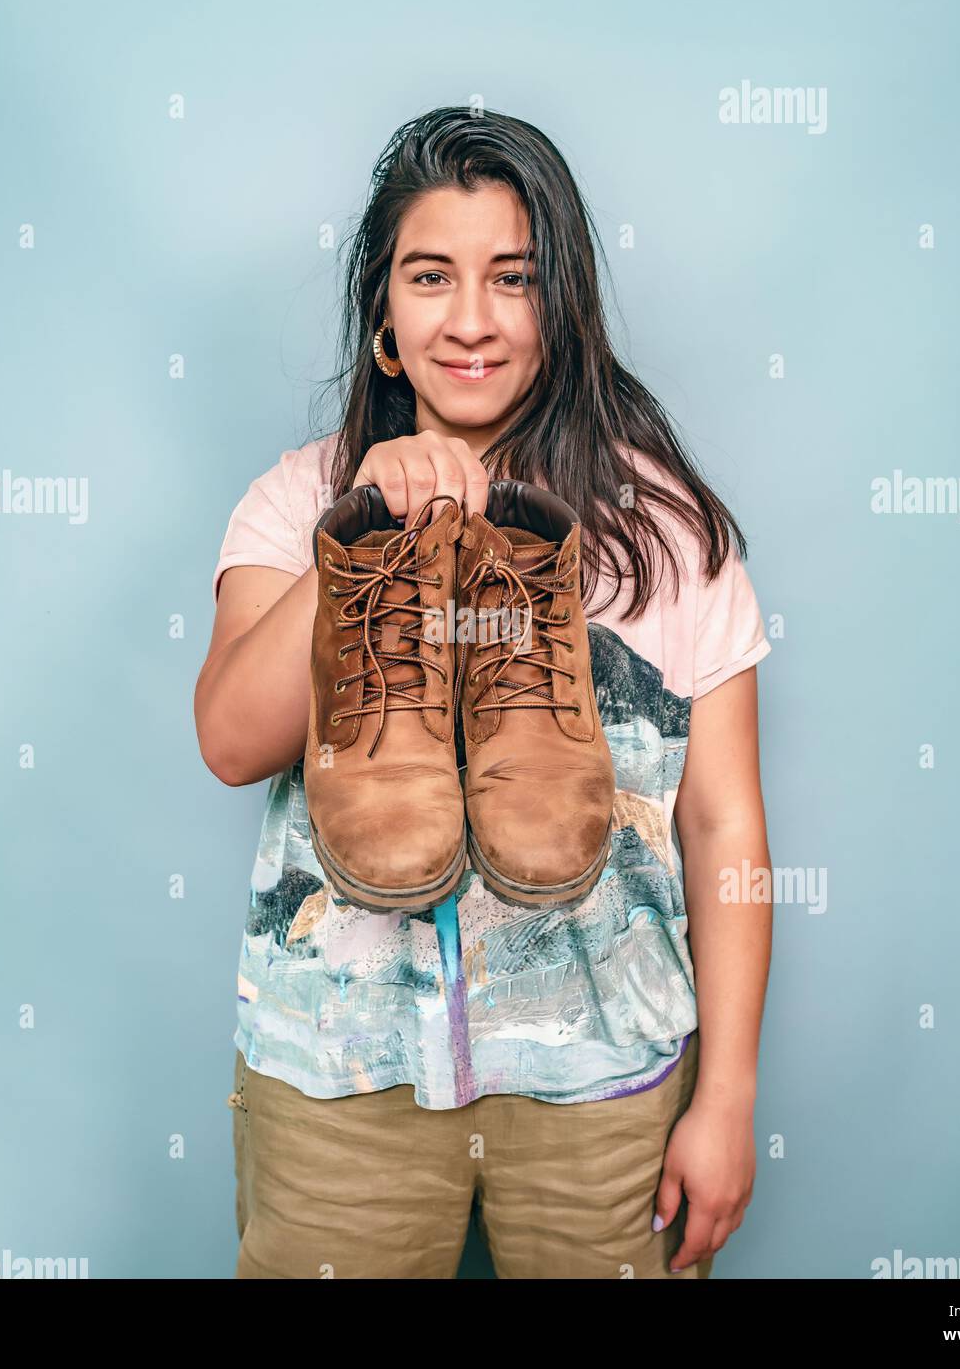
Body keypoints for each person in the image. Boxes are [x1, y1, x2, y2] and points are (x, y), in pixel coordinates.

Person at [194, 106, 773, 1280]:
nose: (470, 318)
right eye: (430, 276)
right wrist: (359, 526)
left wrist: (726, 1097)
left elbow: (725, 825)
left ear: (560, 311)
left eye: (512, 279)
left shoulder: (664, 536)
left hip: (605, 1090)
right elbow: (231, 739)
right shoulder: (295, 499)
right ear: (385, 326)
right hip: (338, 1082)